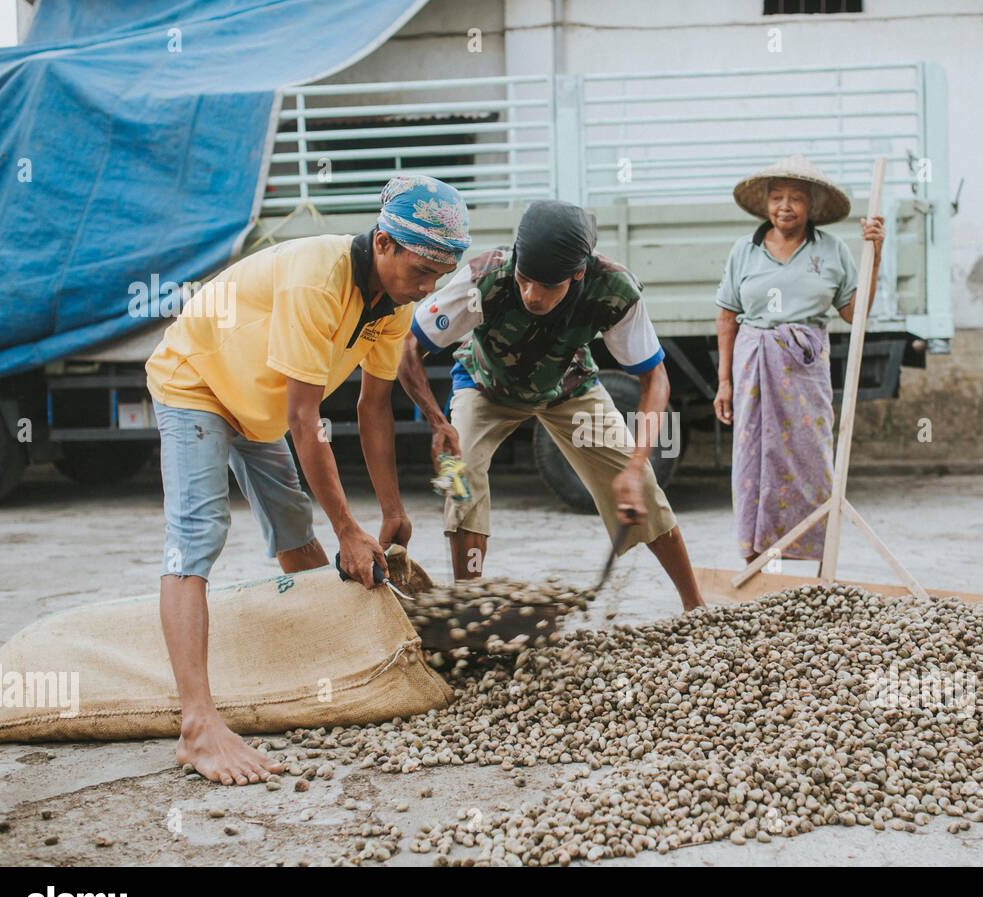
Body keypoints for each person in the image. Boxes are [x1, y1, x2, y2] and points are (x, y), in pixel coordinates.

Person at [144, 175, 470, 785]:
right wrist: (347, 529)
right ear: (384, 245)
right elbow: (305, 420)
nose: (429, 288)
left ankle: (332, 670)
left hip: (255, 401)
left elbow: (372, 409)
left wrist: (391, 511)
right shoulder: (318, 280)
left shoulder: (393, 306)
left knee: (294, 526)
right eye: (423, 270)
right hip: (198, 382)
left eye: (441, 276)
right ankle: (197, 727)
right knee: (198, 534)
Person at [396, 200, 704, 611]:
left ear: (578, 274)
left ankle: (695, 605)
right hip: (484, 385)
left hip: (567, 387)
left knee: (643, 484)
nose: (532, 296)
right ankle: (469, 611)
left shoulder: (614, 289)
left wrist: (633, 466)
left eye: (548, 286)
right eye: (524, 280)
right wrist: (438, 422)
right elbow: (409, 347)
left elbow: (655, 377)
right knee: (460, 477)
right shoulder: (482, 277)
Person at [711, 155, 884, 564]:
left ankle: (813, 554)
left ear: (812, 206)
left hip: (805, 366)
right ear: (766, 203)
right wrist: (724, 381)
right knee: (754, 456)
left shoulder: (833, 250)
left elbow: (854, 312)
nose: (784, 207)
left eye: (795, 199)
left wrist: (876, 254)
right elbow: (726, 315)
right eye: (777, 197)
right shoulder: (744, 251)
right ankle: (757, 556)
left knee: (812, 458)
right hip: (753, 363)